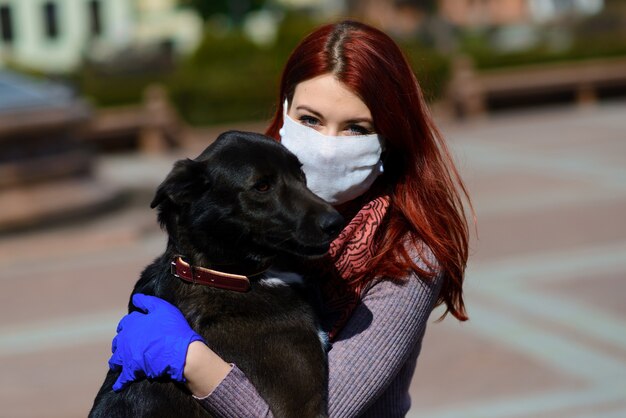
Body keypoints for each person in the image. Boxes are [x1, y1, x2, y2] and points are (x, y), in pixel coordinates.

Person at [108, 19, 471, 417]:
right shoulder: (253, 228)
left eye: (356, 128)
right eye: (311, 120)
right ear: (285, 113)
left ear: (389, 137)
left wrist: (193, 362)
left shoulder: (409, 256)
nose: (329, 147)